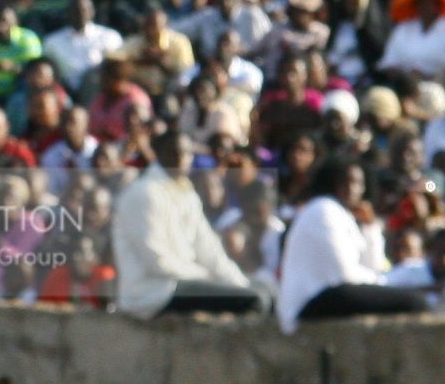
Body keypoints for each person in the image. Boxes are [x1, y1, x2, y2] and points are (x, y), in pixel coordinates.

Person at [112, 130, 263, 315]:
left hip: (183, 281)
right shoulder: (143, 193)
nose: (181, 158)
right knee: (251, 301)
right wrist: (205, 277)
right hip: (153, 292)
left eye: (187, 152)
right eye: (174, 152)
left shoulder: (187, 193)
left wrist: (237, 281)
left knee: (264, 294)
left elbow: (208, 247)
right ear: (159, 153)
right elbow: (157, 261)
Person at [277, 160, 425, 330]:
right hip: (308, 303)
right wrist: (385, 282)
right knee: (414, 302)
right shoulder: (323, 210)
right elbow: (345, 275)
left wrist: (371, 228)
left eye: (358, 183)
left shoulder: (343, 215)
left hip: (333, 294)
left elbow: (374, 267)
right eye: (346, 182)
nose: (352, 189)